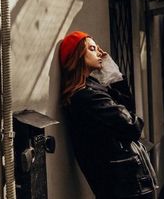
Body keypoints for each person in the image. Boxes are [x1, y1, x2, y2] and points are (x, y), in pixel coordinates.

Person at [59, 31, 158, 199]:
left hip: (126, 183)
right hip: (123, 188)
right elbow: (132, 126)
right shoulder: (87, 97)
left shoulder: (93, 88)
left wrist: (112, 74)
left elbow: (127, 108)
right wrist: (133, 119)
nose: (100, 53)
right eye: (92, 48)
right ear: (78, 56)